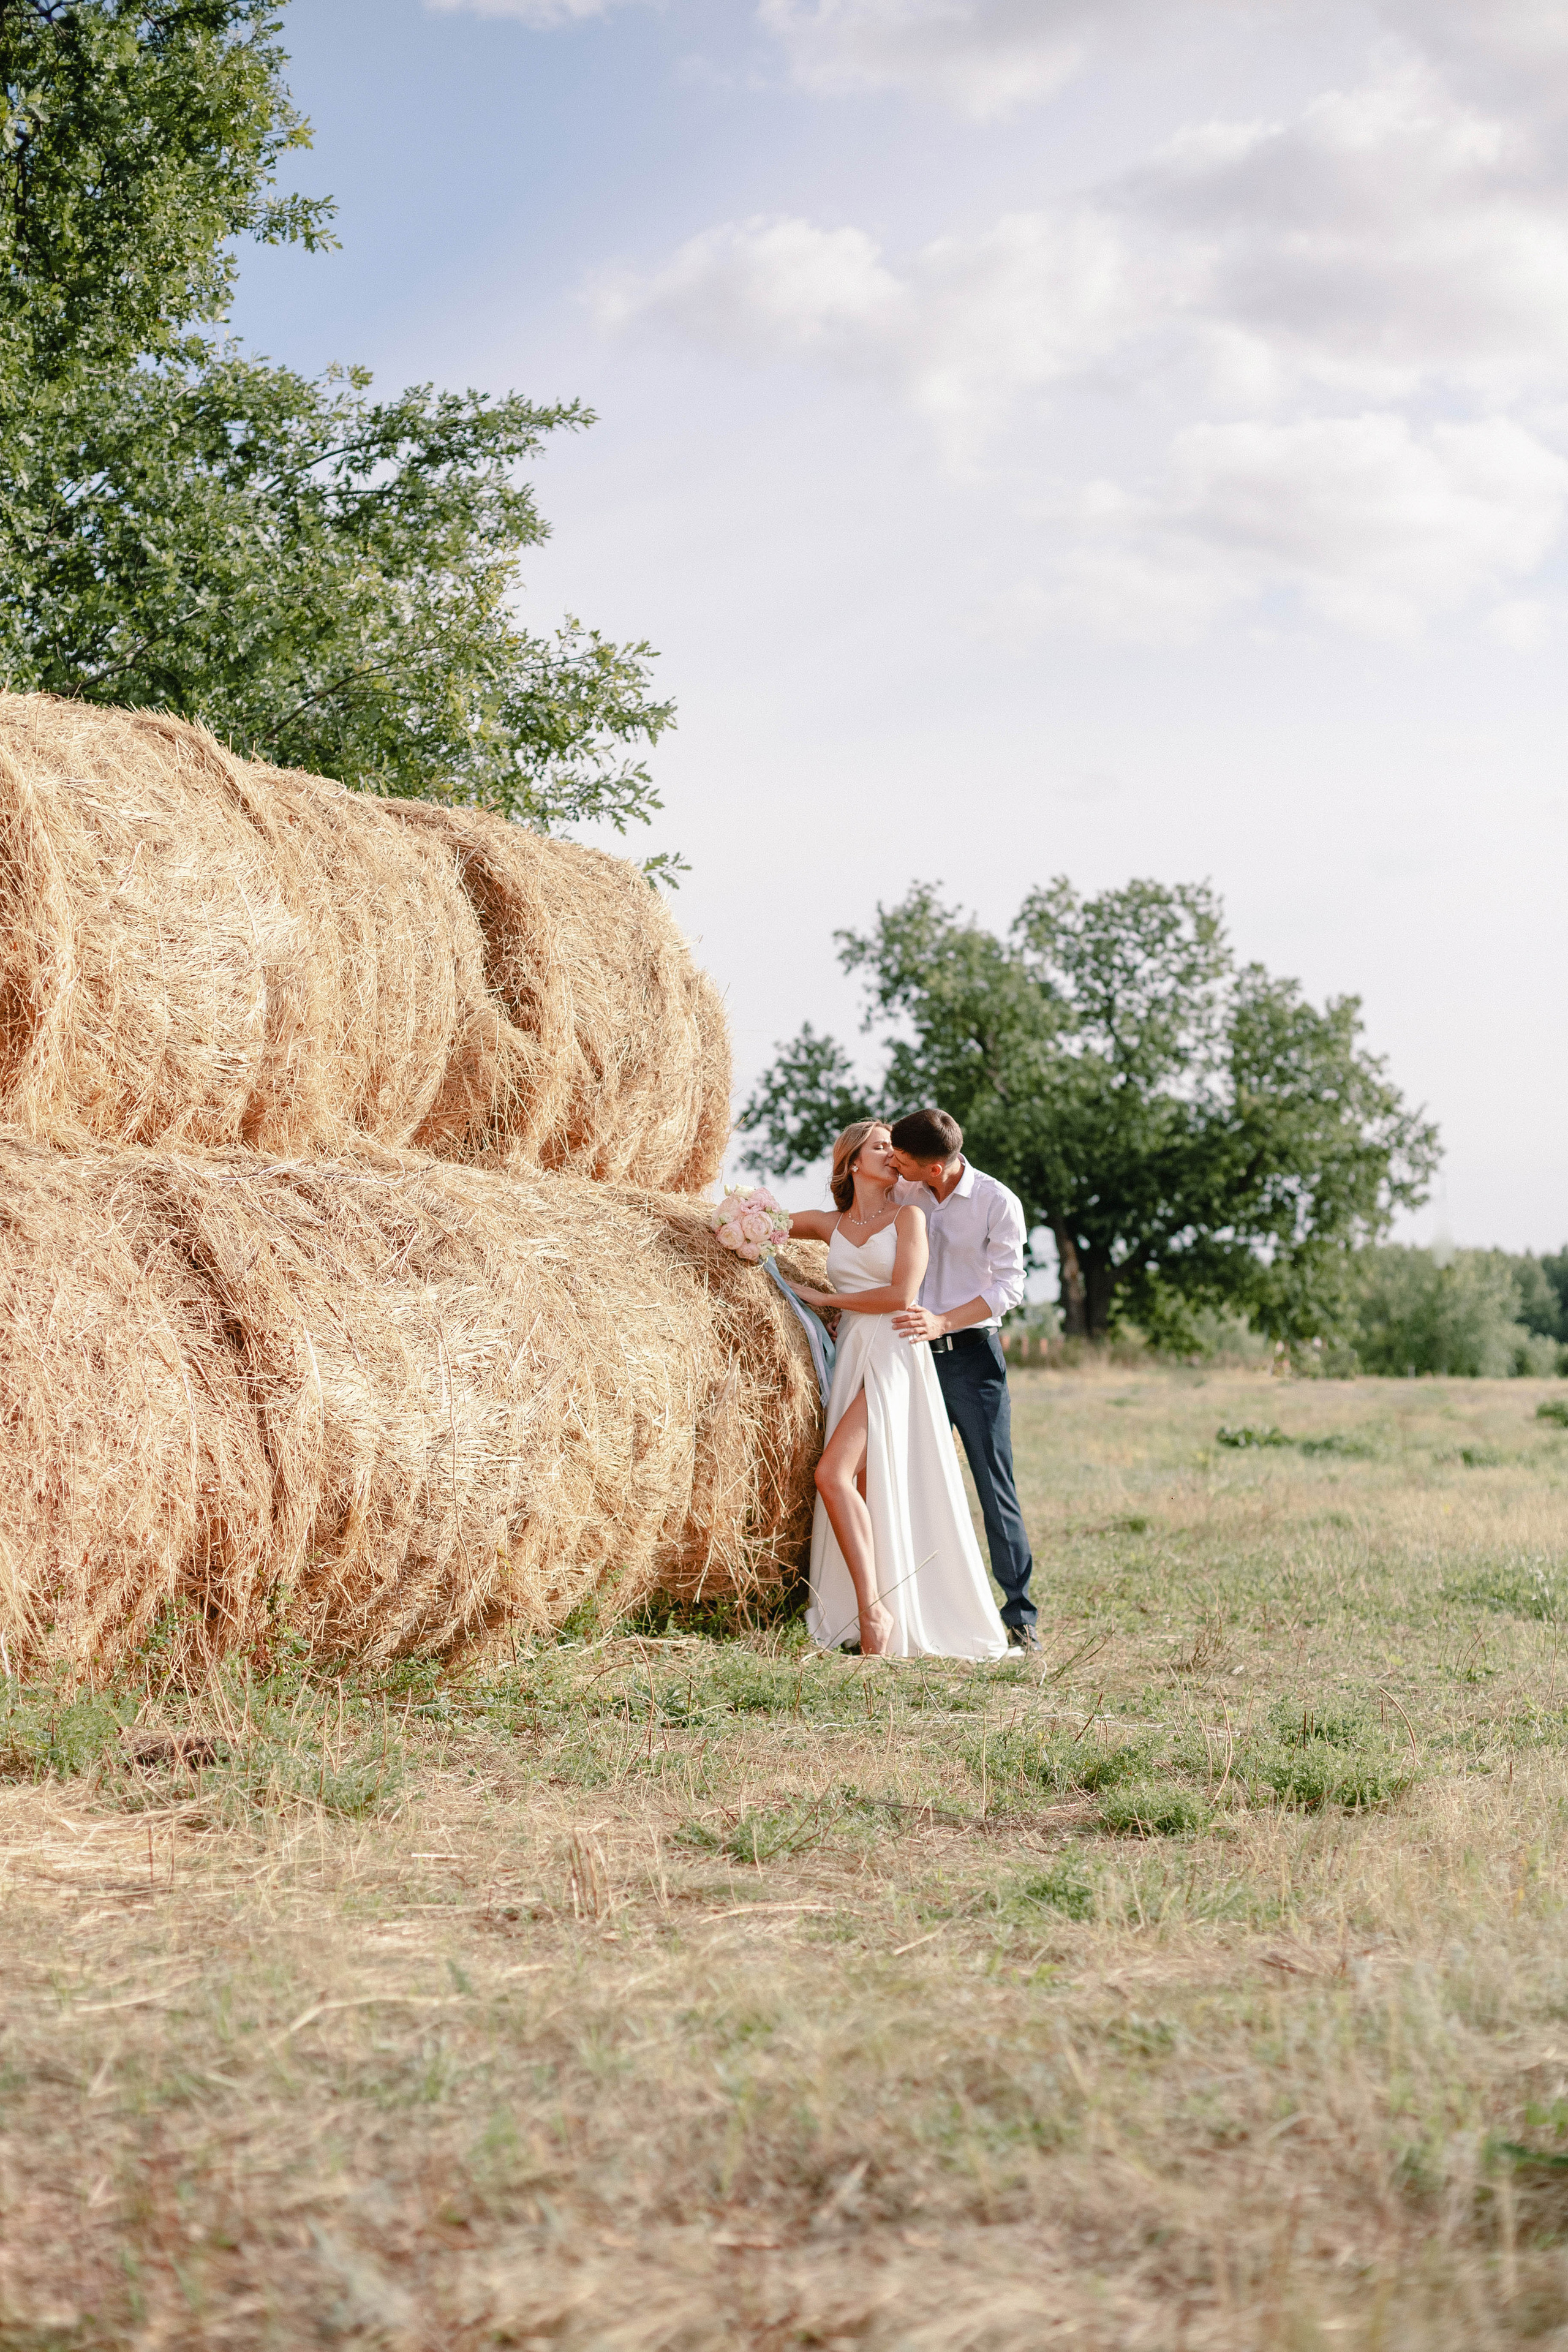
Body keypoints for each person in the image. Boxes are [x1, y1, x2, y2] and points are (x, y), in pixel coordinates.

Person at [783, 1121, 1008, 1661]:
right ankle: (875, 1607)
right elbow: (756, 1224)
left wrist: (825, 1299)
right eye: (881, 1146)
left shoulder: (910, 1216)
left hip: (894, 1352)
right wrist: (736, 1223)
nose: (893, 1154)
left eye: (896, 1147)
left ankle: (874, 1611)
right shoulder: (830, 1224)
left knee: (832, 1474)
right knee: (858, 1481)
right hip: (853, 1355)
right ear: (853, 1162)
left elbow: (902, 1294)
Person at [886, 1107, 1039, 1653]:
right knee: (903, 1483)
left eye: (902, 1160)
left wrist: (944, 1321)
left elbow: (1009, 1288)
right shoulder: (904, 1193)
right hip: (909, 1358)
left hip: (973, 1360)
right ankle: (915, 1610)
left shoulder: (999, 1202)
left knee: (994, 1489)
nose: (893, 1167)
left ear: (934, 1167)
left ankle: (1021, 1619)